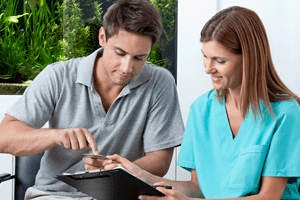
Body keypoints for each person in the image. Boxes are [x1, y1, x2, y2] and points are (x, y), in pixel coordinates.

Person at [102, 6, 300, 200]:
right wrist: (141, 176)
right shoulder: (201, 109)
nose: (208, 69)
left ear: (249, 58)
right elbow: (198, 188)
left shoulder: (285, 113)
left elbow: (268, 196)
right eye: (205, 56)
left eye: (220, 61)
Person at [0, 0, 184, 199]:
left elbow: (160, 160)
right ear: (102, 37)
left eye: (140, 57)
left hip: (120, 195)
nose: (126, 68)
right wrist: (55, 136)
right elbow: (4, 138)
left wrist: (118, 169)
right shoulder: (58, 76)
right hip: (56, 195)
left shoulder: (160, 82)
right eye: (120, 53)